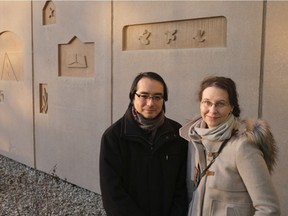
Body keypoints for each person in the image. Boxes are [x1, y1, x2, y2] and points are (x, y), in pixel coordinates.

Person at [179, 76, 280, 216]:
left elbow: (269, 209)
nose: (212, 110)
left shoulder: (243, 147)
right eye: (207, 102)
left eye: (220, 104)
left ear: (231, 107)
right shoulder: (194, 141)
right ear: (200, 104)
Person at [100, 72, 188, 216]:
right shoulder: (114, 137)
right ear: (133, 96)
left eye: (157, 97)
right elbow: (112, 194)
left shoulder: (177, 134)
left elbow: (182, 187)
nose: (150, 103)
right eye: (144, 95)